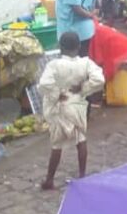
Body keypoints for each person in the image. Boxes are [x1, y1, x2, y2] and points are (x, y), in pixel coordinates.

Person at [38, 32, 105, 190]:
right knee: (80, 138)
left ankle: (49, 180)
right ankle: (82, 174)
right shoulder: (85, 63)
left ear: (60, 47)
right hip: (77, 105)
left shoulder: (54, 65)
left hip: (60, 107)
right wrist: (83, 88)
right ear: (79, 46)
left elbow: (44, 84)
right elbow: (99, 80)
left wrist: (56, 94)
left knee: (57, 144)